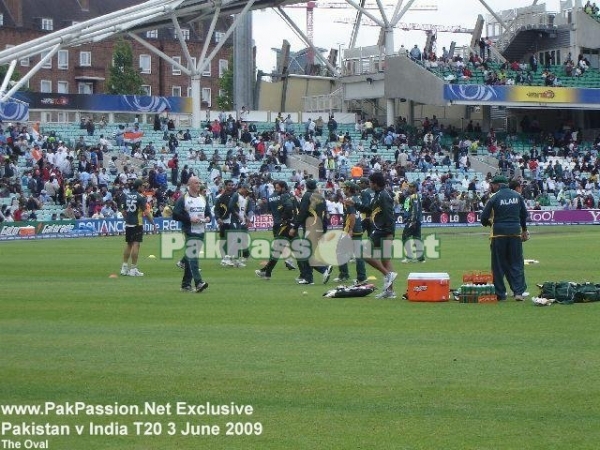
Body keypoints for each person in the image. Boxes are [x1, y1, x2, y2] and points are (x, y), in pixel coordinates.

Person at [347, 172, 397, 298]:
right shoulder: (378, 195)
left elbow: (389, 215)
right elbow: (368, 210)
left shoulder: (383, 196)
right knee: (385, 260)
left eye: (370, 182)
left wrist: (390, 232)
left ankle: (387, 275)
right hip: (381, 230)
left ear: (375, 183)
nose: (369, 184)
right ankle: (390, 291)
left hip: (382, 231)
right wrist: (355, 205)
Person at [480, 174, 529, 301]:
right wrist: (524, 230)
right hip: (515, 233)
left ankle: (500, 294)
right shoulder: (517, 196)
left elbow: (483, 218)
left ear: (497, 185)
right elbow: (523, 215)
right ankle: (518, 292)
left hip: (498, 234)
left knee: (498, 265)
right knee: (516, 263)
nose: (492, 187)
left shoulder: (494, 197)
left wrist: (490, 223)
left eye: (493, 185)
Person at [172, 176, 210, 293]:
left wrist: (208, 218)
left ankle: (186, 284)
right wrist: (189, 219)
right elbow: (175, 215)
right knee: (193, 256)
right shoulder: (183, 199)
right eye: (196, 183)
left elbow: (208, 213)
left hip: (201, 230)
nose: (198, 185)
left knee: (190, 257)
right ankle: (198, 282)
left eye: (199, 183)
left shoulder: (203, 198)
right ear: (190, 185)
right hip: (189, 231)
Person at [292, 179, 332, 285]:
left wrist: (294, 227)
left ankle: (323, 269)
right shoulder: (320, 197)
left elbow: (302, 213)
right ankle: (308, 278)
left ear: (306, 186)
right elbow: (325, 214)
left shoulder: (307, 196)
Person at [255, 180, 296, 280]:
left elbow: (269, 210)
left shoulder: (271, 197)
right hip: (288, 224)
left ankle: (267, 271)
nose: (276, 189)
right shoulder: (289, 196)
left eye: (277, 187)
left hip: (278, 224)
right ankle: (268, 270)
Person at [119, 179, 156, 277]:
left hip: (128, 223)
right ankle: (133, 269)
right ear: (139, 187)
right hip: (137, 223)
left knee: (129, 244)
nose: (144, 188)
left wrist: (126, 219)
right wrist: (153, 223)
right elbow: (146, 212)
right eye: (143, 186)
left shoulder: (126, 196)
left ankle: (124, 267)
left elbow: (122, 211)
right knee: (136, 245)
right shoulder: (141, 197)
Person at [334, 181, 367, 284]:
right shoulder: (358, 199)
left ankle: (344, 274)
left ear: (349, 189)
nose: (343, 189)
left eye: (345, 188)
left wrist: (350, 229)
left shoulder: (349, 200)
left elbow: (352, 216)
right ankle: (361, 276)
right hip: (358, 228)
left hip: (351, 229)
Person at [401, 182, 425, 263]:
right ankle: (421, 258)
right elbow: (408, 207)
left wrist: (412, 220)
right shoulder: (412, 196)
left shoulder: (414, 196)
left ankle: (409, 256)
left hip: (412, 220)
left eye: (412, 187)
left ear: (415, 188)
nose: (410, 188)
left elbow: (415, 209)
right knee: (416, 238)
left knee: (404, 236)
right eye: (409, 187)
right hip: (416, 220)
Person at [213, 179, 235, 266]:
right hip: (224, 221)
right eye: (229, 185)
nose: (231, 186)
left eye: (232, 185)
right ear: (225, 186)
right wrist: (218, 218)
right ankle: (224, 258)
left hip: (234, 220)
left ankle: (229, 257)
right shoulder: (220, 197)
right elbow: (216, 209)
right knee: (224, 240)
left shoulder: (235, 196)